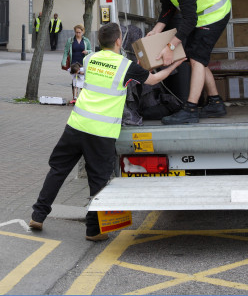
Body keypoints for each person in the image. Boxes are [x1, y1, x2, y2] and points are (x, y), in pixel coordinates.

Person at [30, 22, 183, 241]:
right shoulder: (125, 66)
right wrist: (174, 64)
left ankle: (38, 214)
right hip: (101, 133)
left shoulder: (89, 58)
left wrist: (139, 68)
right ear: (119, 41)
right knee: (98, 181)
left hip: (76, 126)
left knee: (58, 170)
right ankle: (93, 230)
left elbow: (120, 74)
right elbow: (153, 79)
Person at [143, 0, 231, 124]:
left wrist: (170, 47)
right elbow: (168, 9)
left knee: (197, 59)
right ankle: (215, 102)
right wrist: (157, 30)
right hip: (201, 16)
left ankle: (190, 109)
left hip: (215, 13)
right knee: (195, 56)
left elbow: (189, 21)